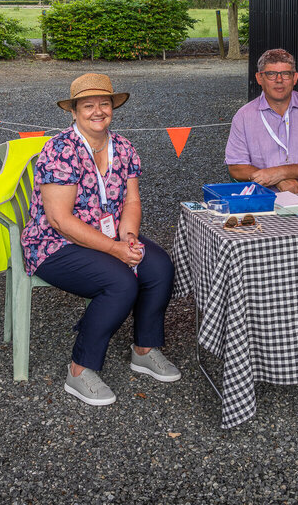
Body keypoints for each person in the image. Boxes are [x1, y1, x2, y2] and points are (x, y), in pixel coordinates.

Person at [20, 73, 179, 407]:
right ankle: (80, 370)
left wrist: (130, 238)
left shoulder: (123, 147)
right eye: (88, 105)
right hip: (55, 244)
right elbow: (60, 220)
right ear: (75, 111)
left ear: (112, 107)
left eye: (103, 104)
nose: (97, 111)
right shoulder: (61, 149)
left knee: (160, 266)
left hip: (108, 235)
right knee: (120, 283)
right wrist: (116, 250)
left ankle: (145, 349)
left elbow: (132, 202)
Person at [225, 48, 298, 194]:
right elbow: (236, 167)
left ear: (295, 78)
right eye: (271, 74)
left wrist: (281, 173)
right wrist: (277, 180)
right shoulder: (244, 116)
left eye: (286, 74)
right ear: (259, 78)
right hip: (268, 196)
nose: (279, 80)